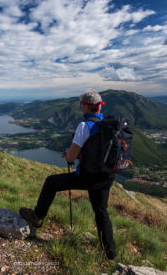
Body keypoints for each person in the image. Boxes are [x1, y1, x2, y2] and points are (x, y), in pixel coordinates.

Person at [19, 90, 117, 260]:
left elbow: (72, 156)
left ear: (84, 106)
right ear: (100, 106)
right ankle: (110, 253)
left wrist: (68, 153)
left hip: (88, 177)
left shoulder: (85, 126)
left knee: (51, 182)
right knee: (101, 212)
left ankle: (38, 217)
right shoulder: (109, 125)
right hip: (106, 177)